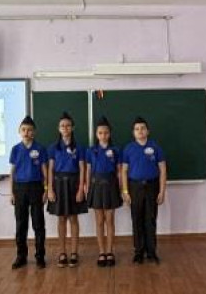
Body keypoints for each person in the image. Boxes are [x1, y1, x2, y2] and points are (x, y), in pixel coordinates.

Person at [122, 116, 167, 264]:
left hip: (152, 186)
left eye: (142, 128)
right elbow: (123, 171)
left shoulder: (156, 147)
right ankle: (138, 252)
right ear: (133, 132)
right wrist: (125, 191)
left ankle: (151, 252)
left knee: (150, 219)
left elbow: (162, 169)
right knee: (137, 219)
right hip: (134, 187)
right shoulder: (128, 149)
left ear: (148, 131)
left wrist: (162, 191)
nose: (140, 131)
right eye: (137, 129)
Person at [47, 112, 87, 267]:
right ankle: (62, 252)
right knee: (61, 218)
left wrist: (81, 189)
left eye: (68, 125)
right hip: (58, 184)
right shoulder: (53, 148)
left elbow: (82, 169)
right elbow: (50, 169)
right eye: (62, 125)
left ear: (73, 127)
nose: (65, 128)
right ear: (59, 128)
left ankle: (74, 252)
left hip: (74, 183)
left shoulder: (80, 147)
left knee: (73, 218)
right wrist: (50, 189)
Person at [9, 115, 48, 269]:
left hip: (36, 188)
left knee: (38, 224)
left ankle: (40, 256)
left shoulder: (40, 149)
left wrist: (46, 190)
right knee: (21, 224)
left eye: (29, 130)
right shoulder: (15, 149)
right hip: (19, 188)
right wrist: (11, 192)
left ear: (34, 132)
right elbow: (12, 172)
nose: (26, 132)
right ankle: (21, 256)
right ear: (19, 131)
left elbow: (44, 171)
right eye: (23, 129)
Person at [85, 116, 122, 267]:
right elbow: (88, 170)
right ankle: (101, 252)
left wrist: (121, 189)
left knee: (110, 220)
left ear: (109, 133)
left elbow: (119, 171)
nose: (103, 135)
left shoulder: (116, 150)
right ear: (96, 134)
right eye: (100, 133)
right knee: (99, 221)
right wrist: (87, 186)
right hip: (96, 186)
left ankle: (110, 251)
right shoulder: (91, 150)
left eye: (106, 132)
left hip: (111, 186)